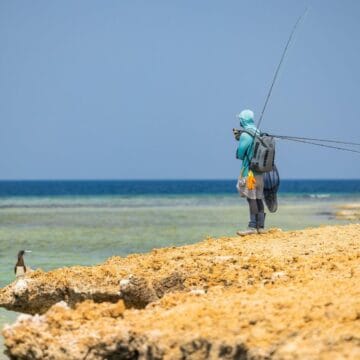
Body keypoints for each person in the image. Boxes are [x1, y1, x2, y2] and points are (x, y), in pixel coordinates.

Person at [235, 109, 266, 235]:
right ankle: (261, 227)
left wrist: (240, 138)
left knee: (251, 198)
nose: (239, 122)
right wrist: (240, 137)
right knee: (258, 198)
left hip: (250, 173)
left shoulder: (245, 135)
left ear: (243, 120)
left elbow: (240, 154)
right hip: (260, 172)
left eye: (240, 119)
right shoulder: (258, 132)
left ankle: (252, 227)